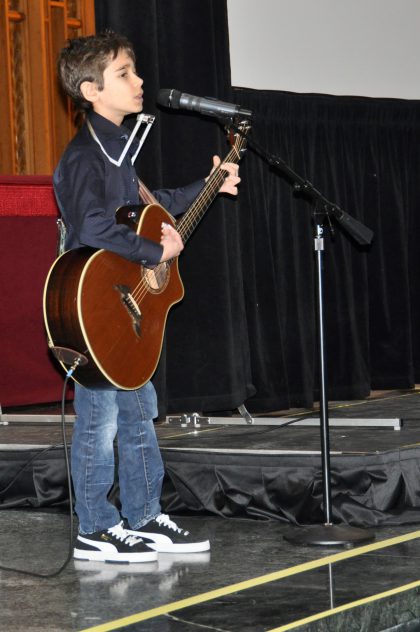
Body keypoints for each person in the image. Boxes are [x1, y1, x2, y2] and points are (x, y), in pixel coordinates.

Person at [53, 31, 240, 564]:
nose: (139, 83)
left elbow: (150, 209)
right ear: (91, 90)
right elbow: (91, 226)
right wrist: (152, 255)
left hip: (122, 305)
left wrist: (209, 182)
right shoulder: (86, 156)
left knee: (138, 411)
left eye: (135, 72)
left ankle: (143, 513)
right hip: (94, 309)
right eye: (124, 75)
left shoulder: (119, 155)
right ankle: (94, 527)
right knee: (101, 417)